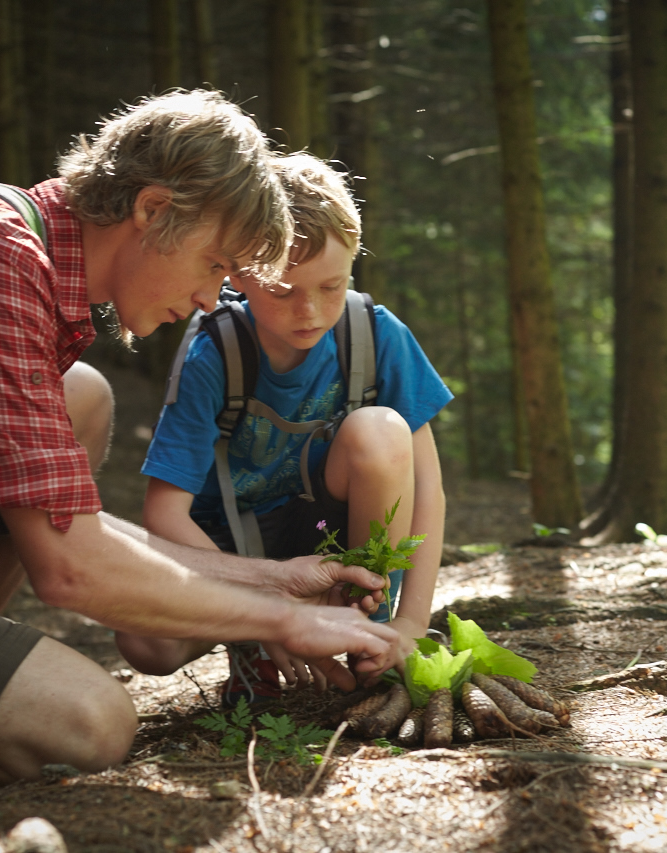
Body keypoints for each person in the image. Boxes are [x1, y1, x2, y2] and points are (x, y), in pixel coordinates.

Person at [0, 90, 402, 796]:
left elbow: (54, 512)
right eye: (212, 264)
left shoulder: (23, 254)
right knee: (91, 725)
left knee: (82, 395)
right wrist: (286, 622)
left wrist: (274, 578)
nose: (211, 300)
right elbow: (71, 566)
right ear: (151, 208)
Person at [126, 152, 452, 705]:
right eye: (282, 290)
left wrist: (413, 624)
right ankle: (254, 647)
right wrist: (262, 610)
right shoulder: (215, 352)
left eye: (331, 286)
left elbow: (428, 491)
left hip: (327, 536)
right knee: (145, 643)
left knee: (381, 432)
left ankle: (368, 634)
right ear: (237, 274)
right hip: (228, 543)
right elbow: (164, 514)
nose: (310, 311)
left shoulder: (376, 336)